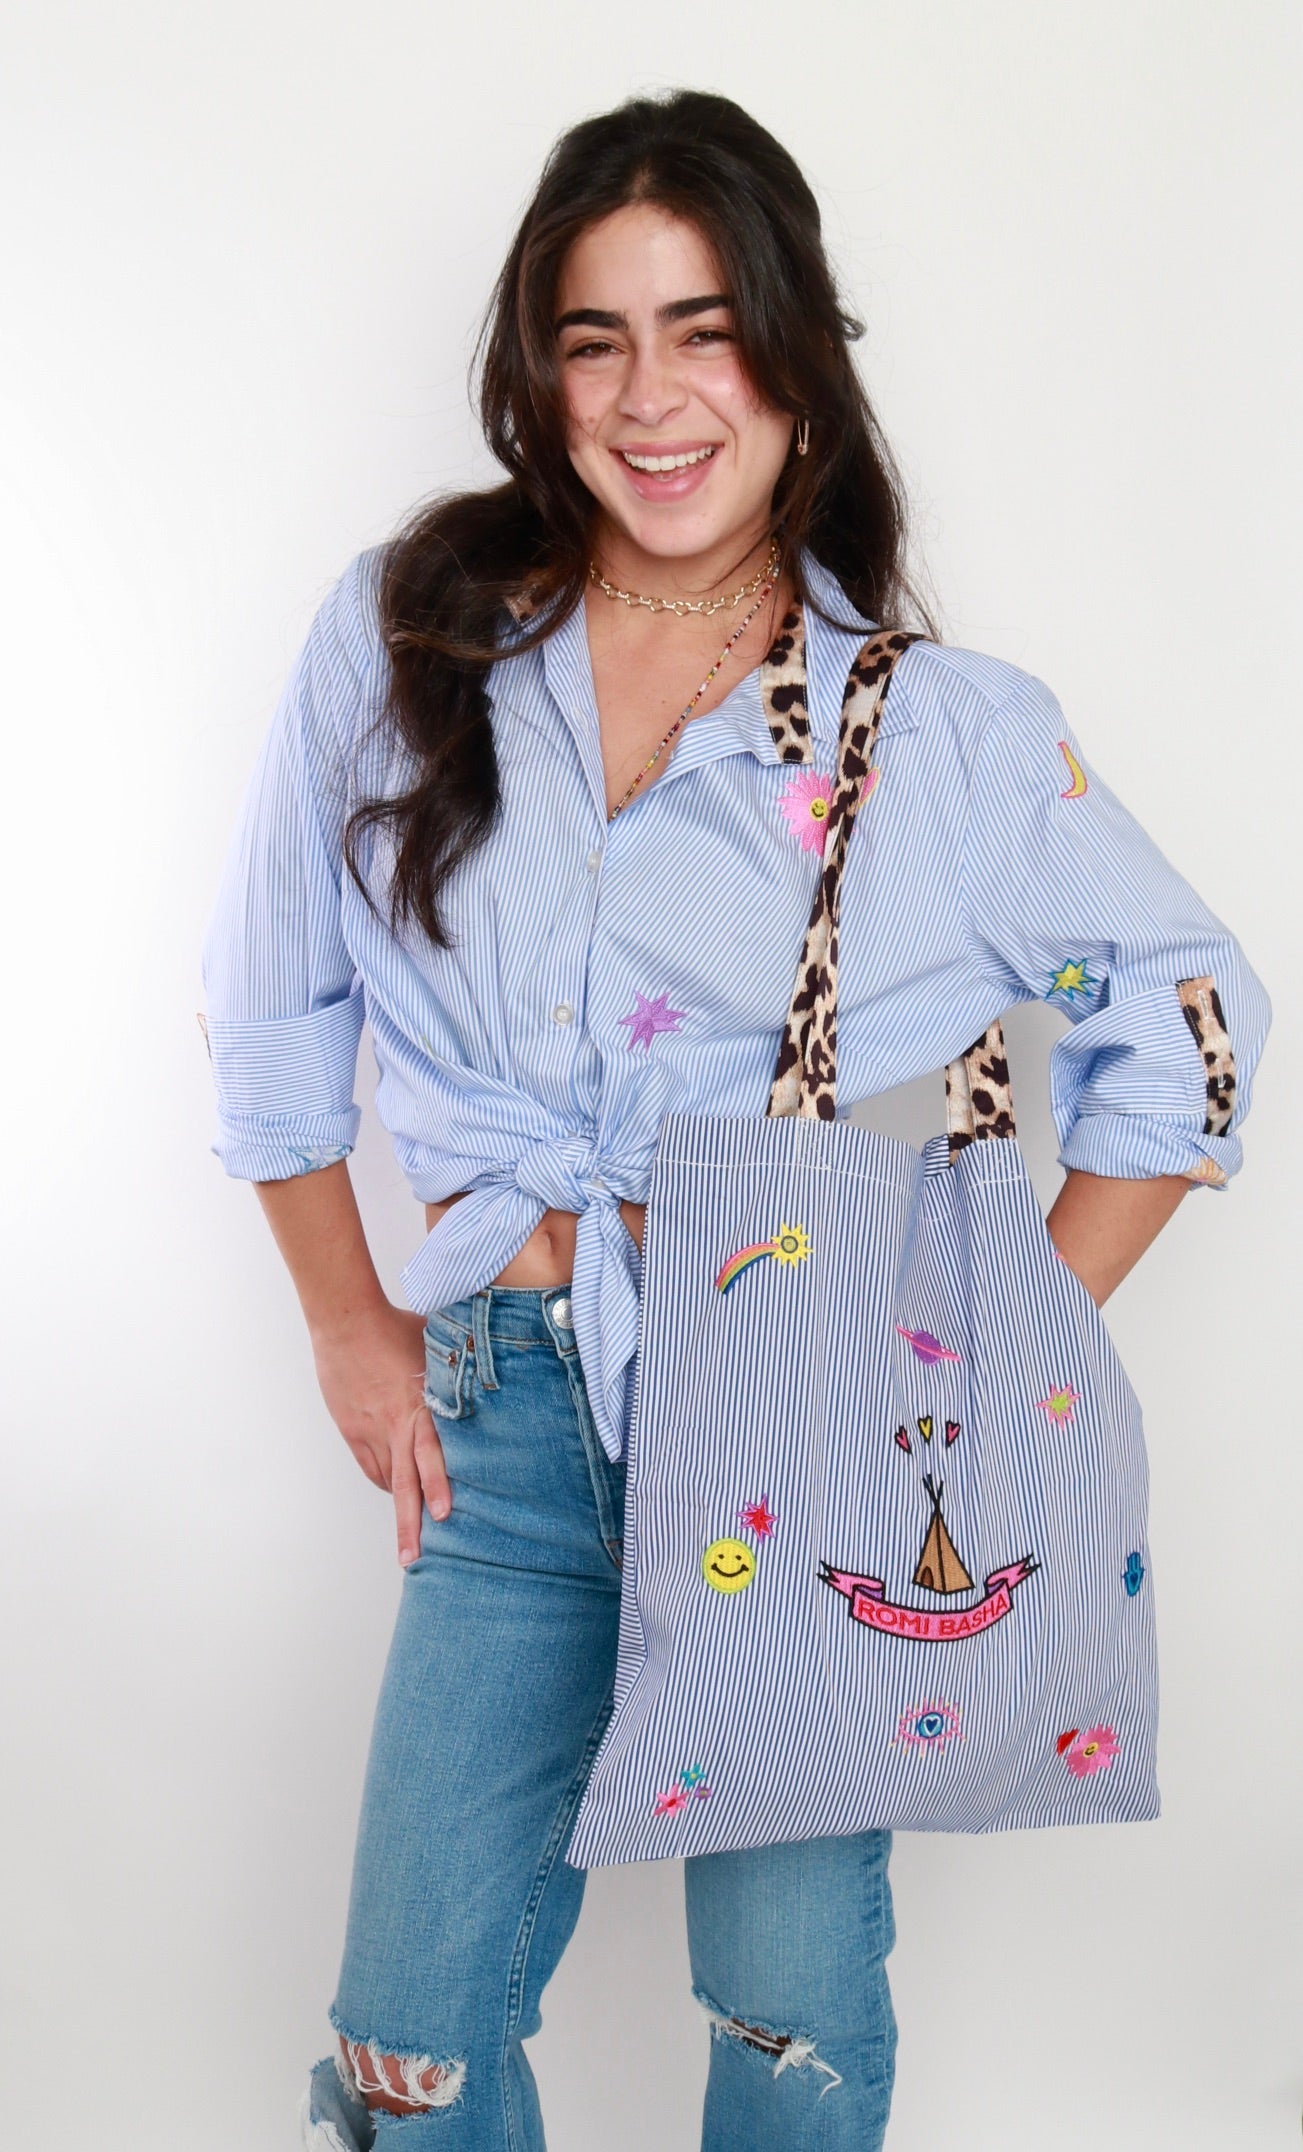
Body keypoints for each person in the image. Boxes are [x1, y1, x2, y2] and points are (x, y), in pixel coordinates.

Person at [201, 88, 1270, 2152]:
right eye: (593, 339)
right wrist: (345, 1317)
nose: (650, 396)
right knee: (408, 2045)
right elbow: (271, 1007)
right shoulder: (411, 637)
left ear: (795, 360)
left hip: (805, 1427)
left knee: (784, 2012)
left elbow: (1191, 1019)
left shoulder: (937, 732)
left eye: (704, 332)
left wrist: (987, 1356)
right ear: (538, 375)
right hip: (508, 1419)